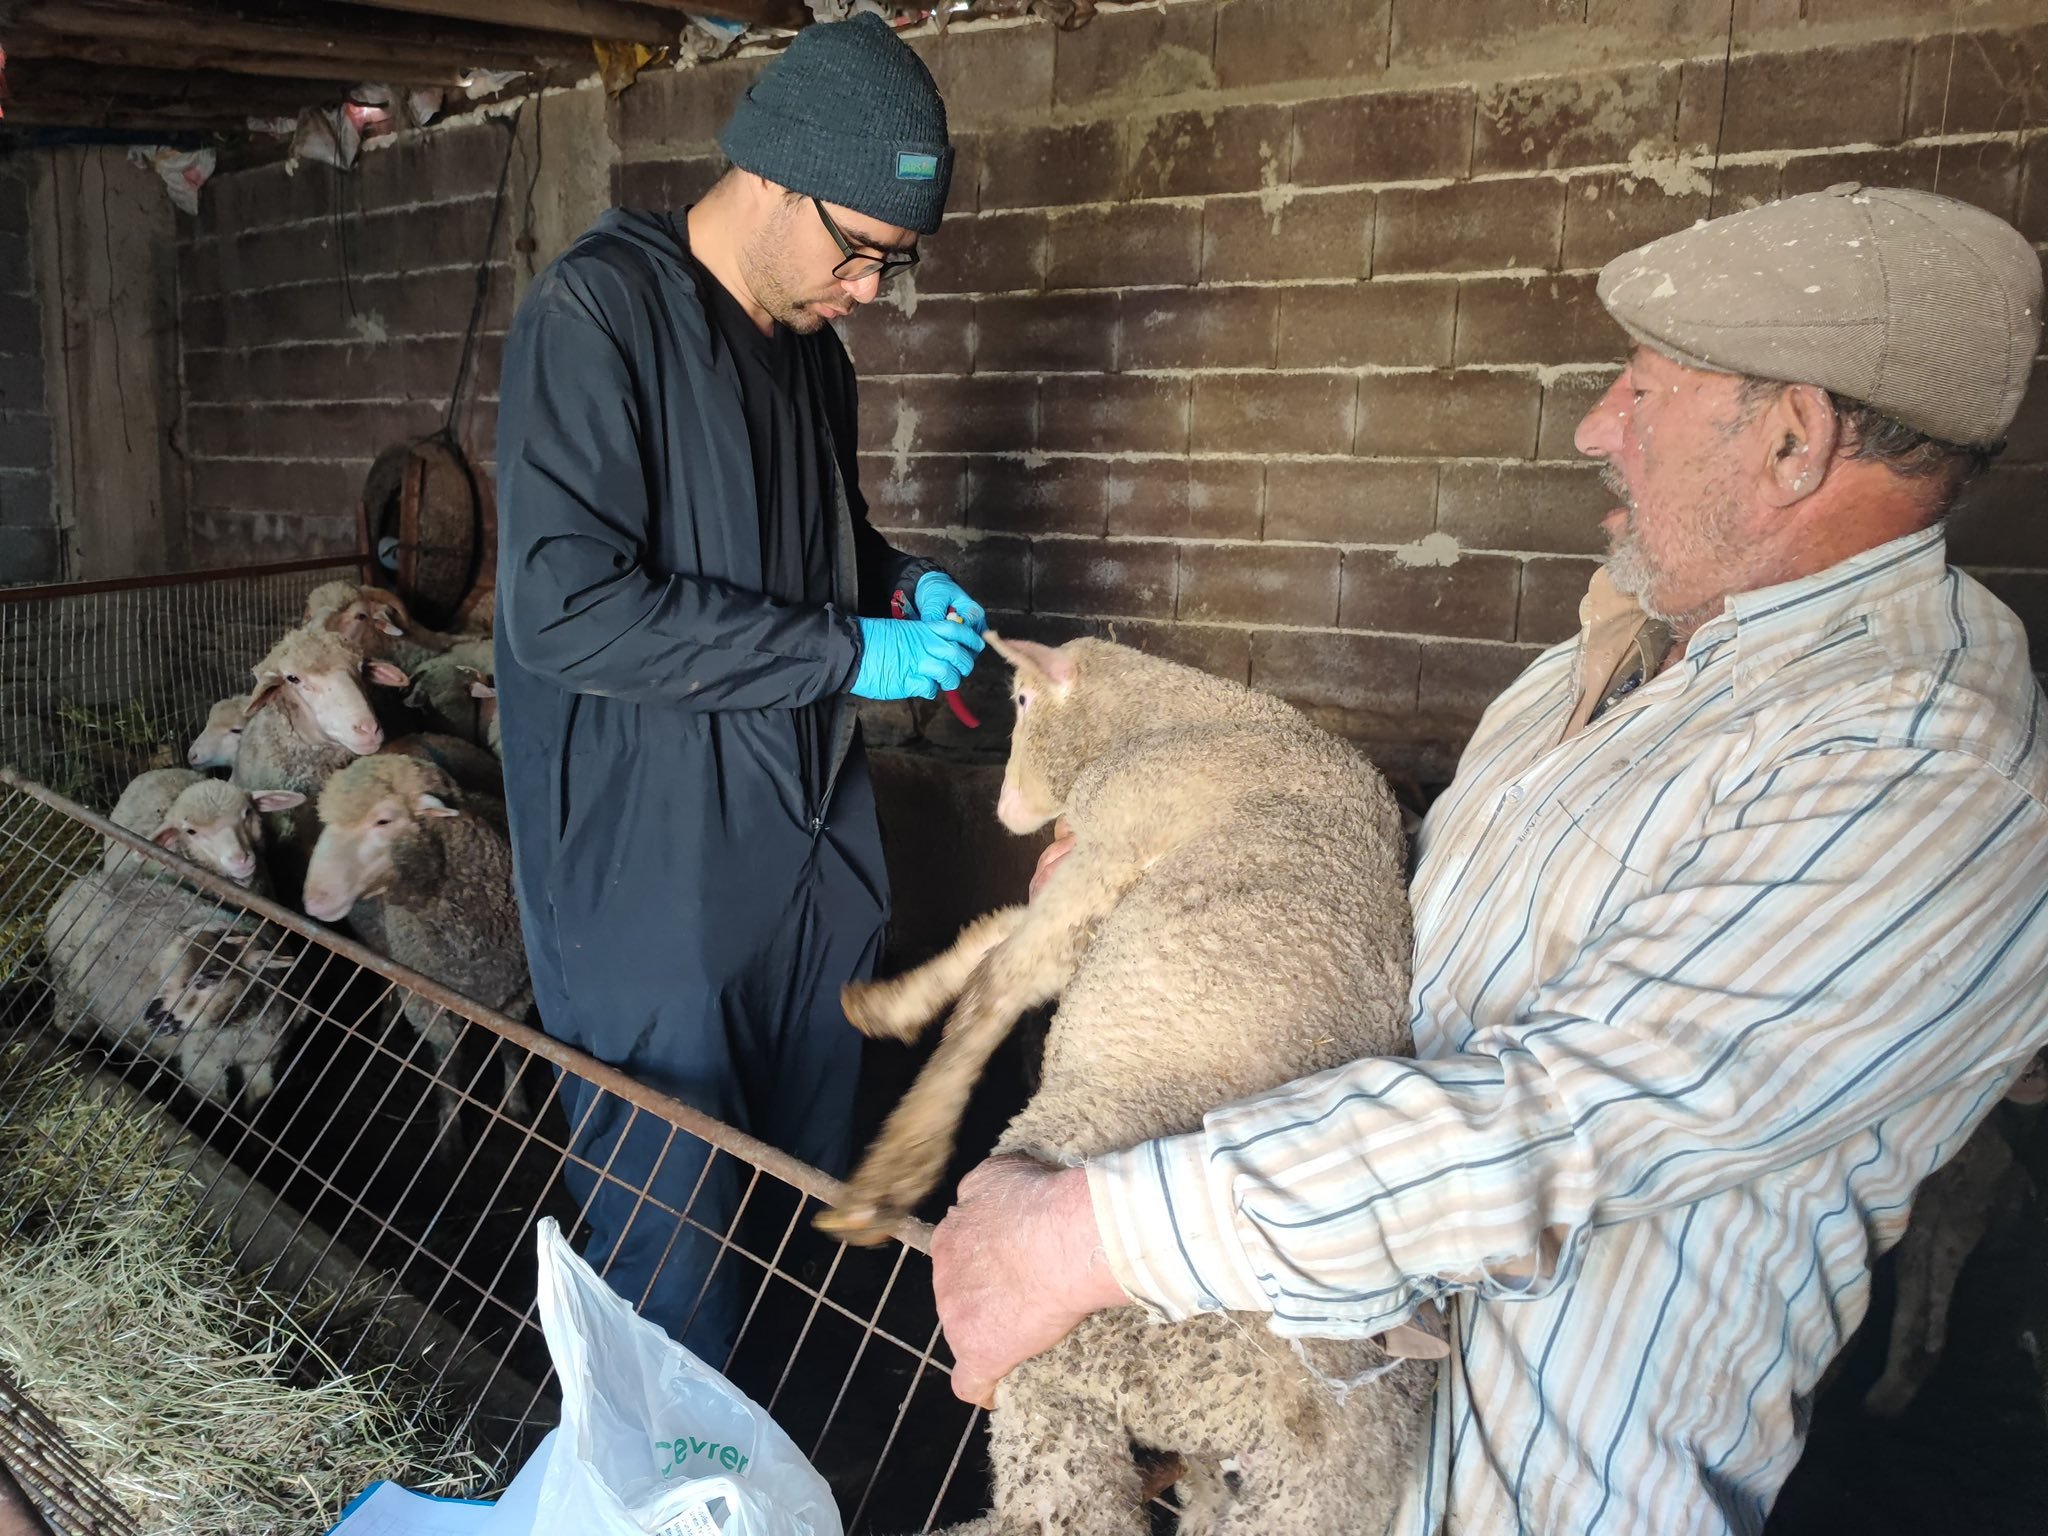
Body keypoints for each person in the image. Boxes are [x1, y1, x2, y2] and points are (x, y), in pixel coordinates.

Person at [929, 183, 2048, 1534]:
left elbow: (1573, 1113)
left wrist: (1087, 1237)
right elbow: (1431, 934)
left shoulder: (1934, 764)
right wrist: (1184, 880)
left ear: (1794, 440)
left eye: (1644, 389)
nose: (1596, 427)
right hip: (1311, 1436)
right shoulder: (1611, 659)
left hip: (1516, 1494)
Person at [492, 14, 984, 1362]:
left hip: (797, 855)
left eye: (894, 262)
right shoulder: (598, 317)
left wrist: (896, 586)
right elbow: (567, 610)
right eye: (859, 249)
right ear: (772, 173)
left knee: (793, 1214)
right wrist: (845, 653)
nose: (868, 290)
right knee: (674, 1245)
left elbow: (819, 547)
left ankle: (768, 1454)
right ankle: (671, 1466)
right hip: (654, 877)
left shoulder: (814, 355)